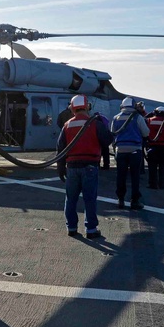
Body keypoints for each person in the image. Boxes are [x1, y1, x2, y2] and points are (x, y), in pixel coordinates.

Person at [56, 95, 113, 238]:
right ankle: (91, 229)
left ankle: (72, 228)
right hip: (90, 166)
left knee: (70, 199)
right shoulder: (94, 123)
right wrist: (105, 126)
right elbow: (106, 141)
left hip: (72, 167)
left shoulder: (67, 125)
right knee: (90, 199)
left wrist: (60, 168)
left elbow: (60, 148)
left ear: (72, 108)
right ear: (87, 107)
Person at [109, 98, 150, 210]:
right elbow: (146, 132)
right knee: (135, 176)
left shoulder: (116, 118)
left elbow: (113, 133)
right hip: (135, 150)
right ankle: (134, 201)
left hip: (120, 150)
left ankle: (120, 199)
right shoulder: (138, 117)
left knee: (120, 175)